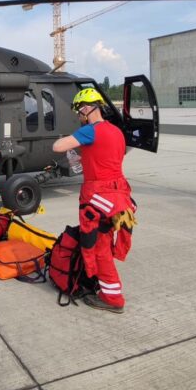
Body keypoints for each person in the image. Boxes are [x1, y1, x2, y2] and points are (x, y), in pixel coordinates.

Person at [52, 87, 136, 314]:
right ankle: (103, 286)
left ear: (88, 108)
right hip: (120, 197)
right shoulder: (116, 132)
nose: (79, 116)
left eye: (79, 111)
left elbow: (57, 147)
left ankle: (113, 298)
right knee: (105, 242)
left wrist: (69, 140)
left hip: (99, 197)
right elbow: (115, 154)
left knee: (99, 249)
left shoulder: (91, 130)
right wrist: (85, 156)